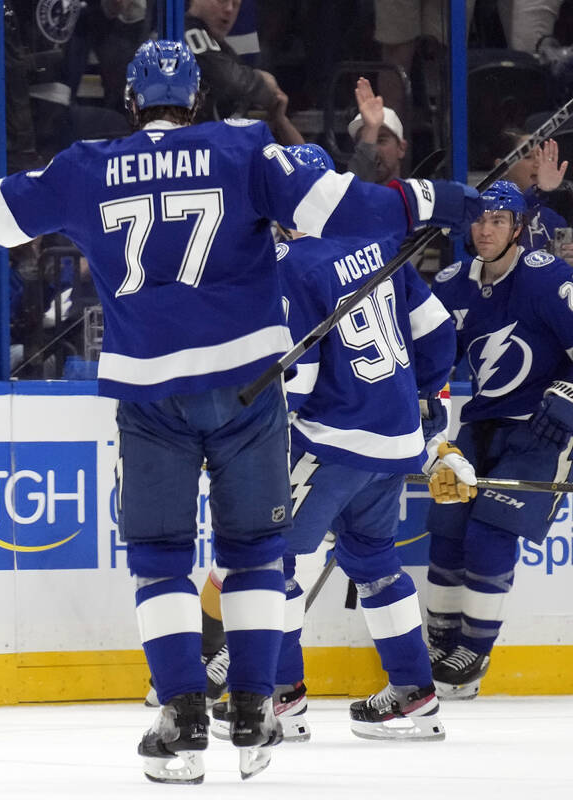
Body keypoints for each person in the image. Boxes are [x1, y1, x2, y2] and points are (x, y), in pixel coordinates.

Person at [0, 39, 481, 783]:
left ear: (130, 101)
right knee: (251, 555)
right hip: (246, 391)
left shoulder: (88, 164)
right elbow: (354, 207)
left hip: (150, 396)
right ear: (200, 102)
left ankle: (180, 717)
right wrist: (446, 201)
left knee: (160, 561)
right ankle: (250, 710)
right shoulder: (244, 147)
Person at [202, 144, 474, 744]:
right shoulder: (383, 249)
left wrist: (256, 441)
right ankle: (414, 692)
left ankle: (281, 696)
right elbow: (434, 339)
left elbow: (294, 380)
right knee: (376, 564)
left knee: (272, 561)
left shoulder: (293, 266)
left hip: (329, 445)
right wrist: (424, 411)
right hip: (394, 442)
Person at [423, 180, 573, 700]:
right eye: (479, 220)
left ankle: (473, 651)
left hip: (539, 430)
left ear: (518, 228)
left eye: (497, 221)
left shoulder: (544, 277)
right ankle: (439, 644)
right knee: (446, 535)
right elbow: (425, 355)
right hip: (479, 427)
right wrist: (420, 399)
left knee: (489, 537)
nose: (484, 230)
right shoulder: (452, 283)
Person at [184, 0, 304, 145]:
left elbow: (302, 157)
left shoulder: (223, 51)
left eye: (236, 4)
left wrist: (280, 120)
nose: (229, 9)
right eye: (221, 0)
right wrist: (260, 83)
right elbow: (230, 80)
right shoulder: (185, 32)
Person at [496, 128, 573, 265]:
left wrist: (567, 263)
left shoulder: (554, 220)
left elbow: (562, 277)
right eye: (528, 157)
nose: (538, 164)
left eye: (540, 156)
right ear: (502, 167)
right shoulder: (488, 213)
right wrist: (538, 191)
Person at [346, 78, 408, 184]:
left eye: (381, 140)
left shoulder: (414, 197)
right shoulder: (349, 197)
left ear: (401, 148)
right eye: (364, 143)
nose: (372, 151)